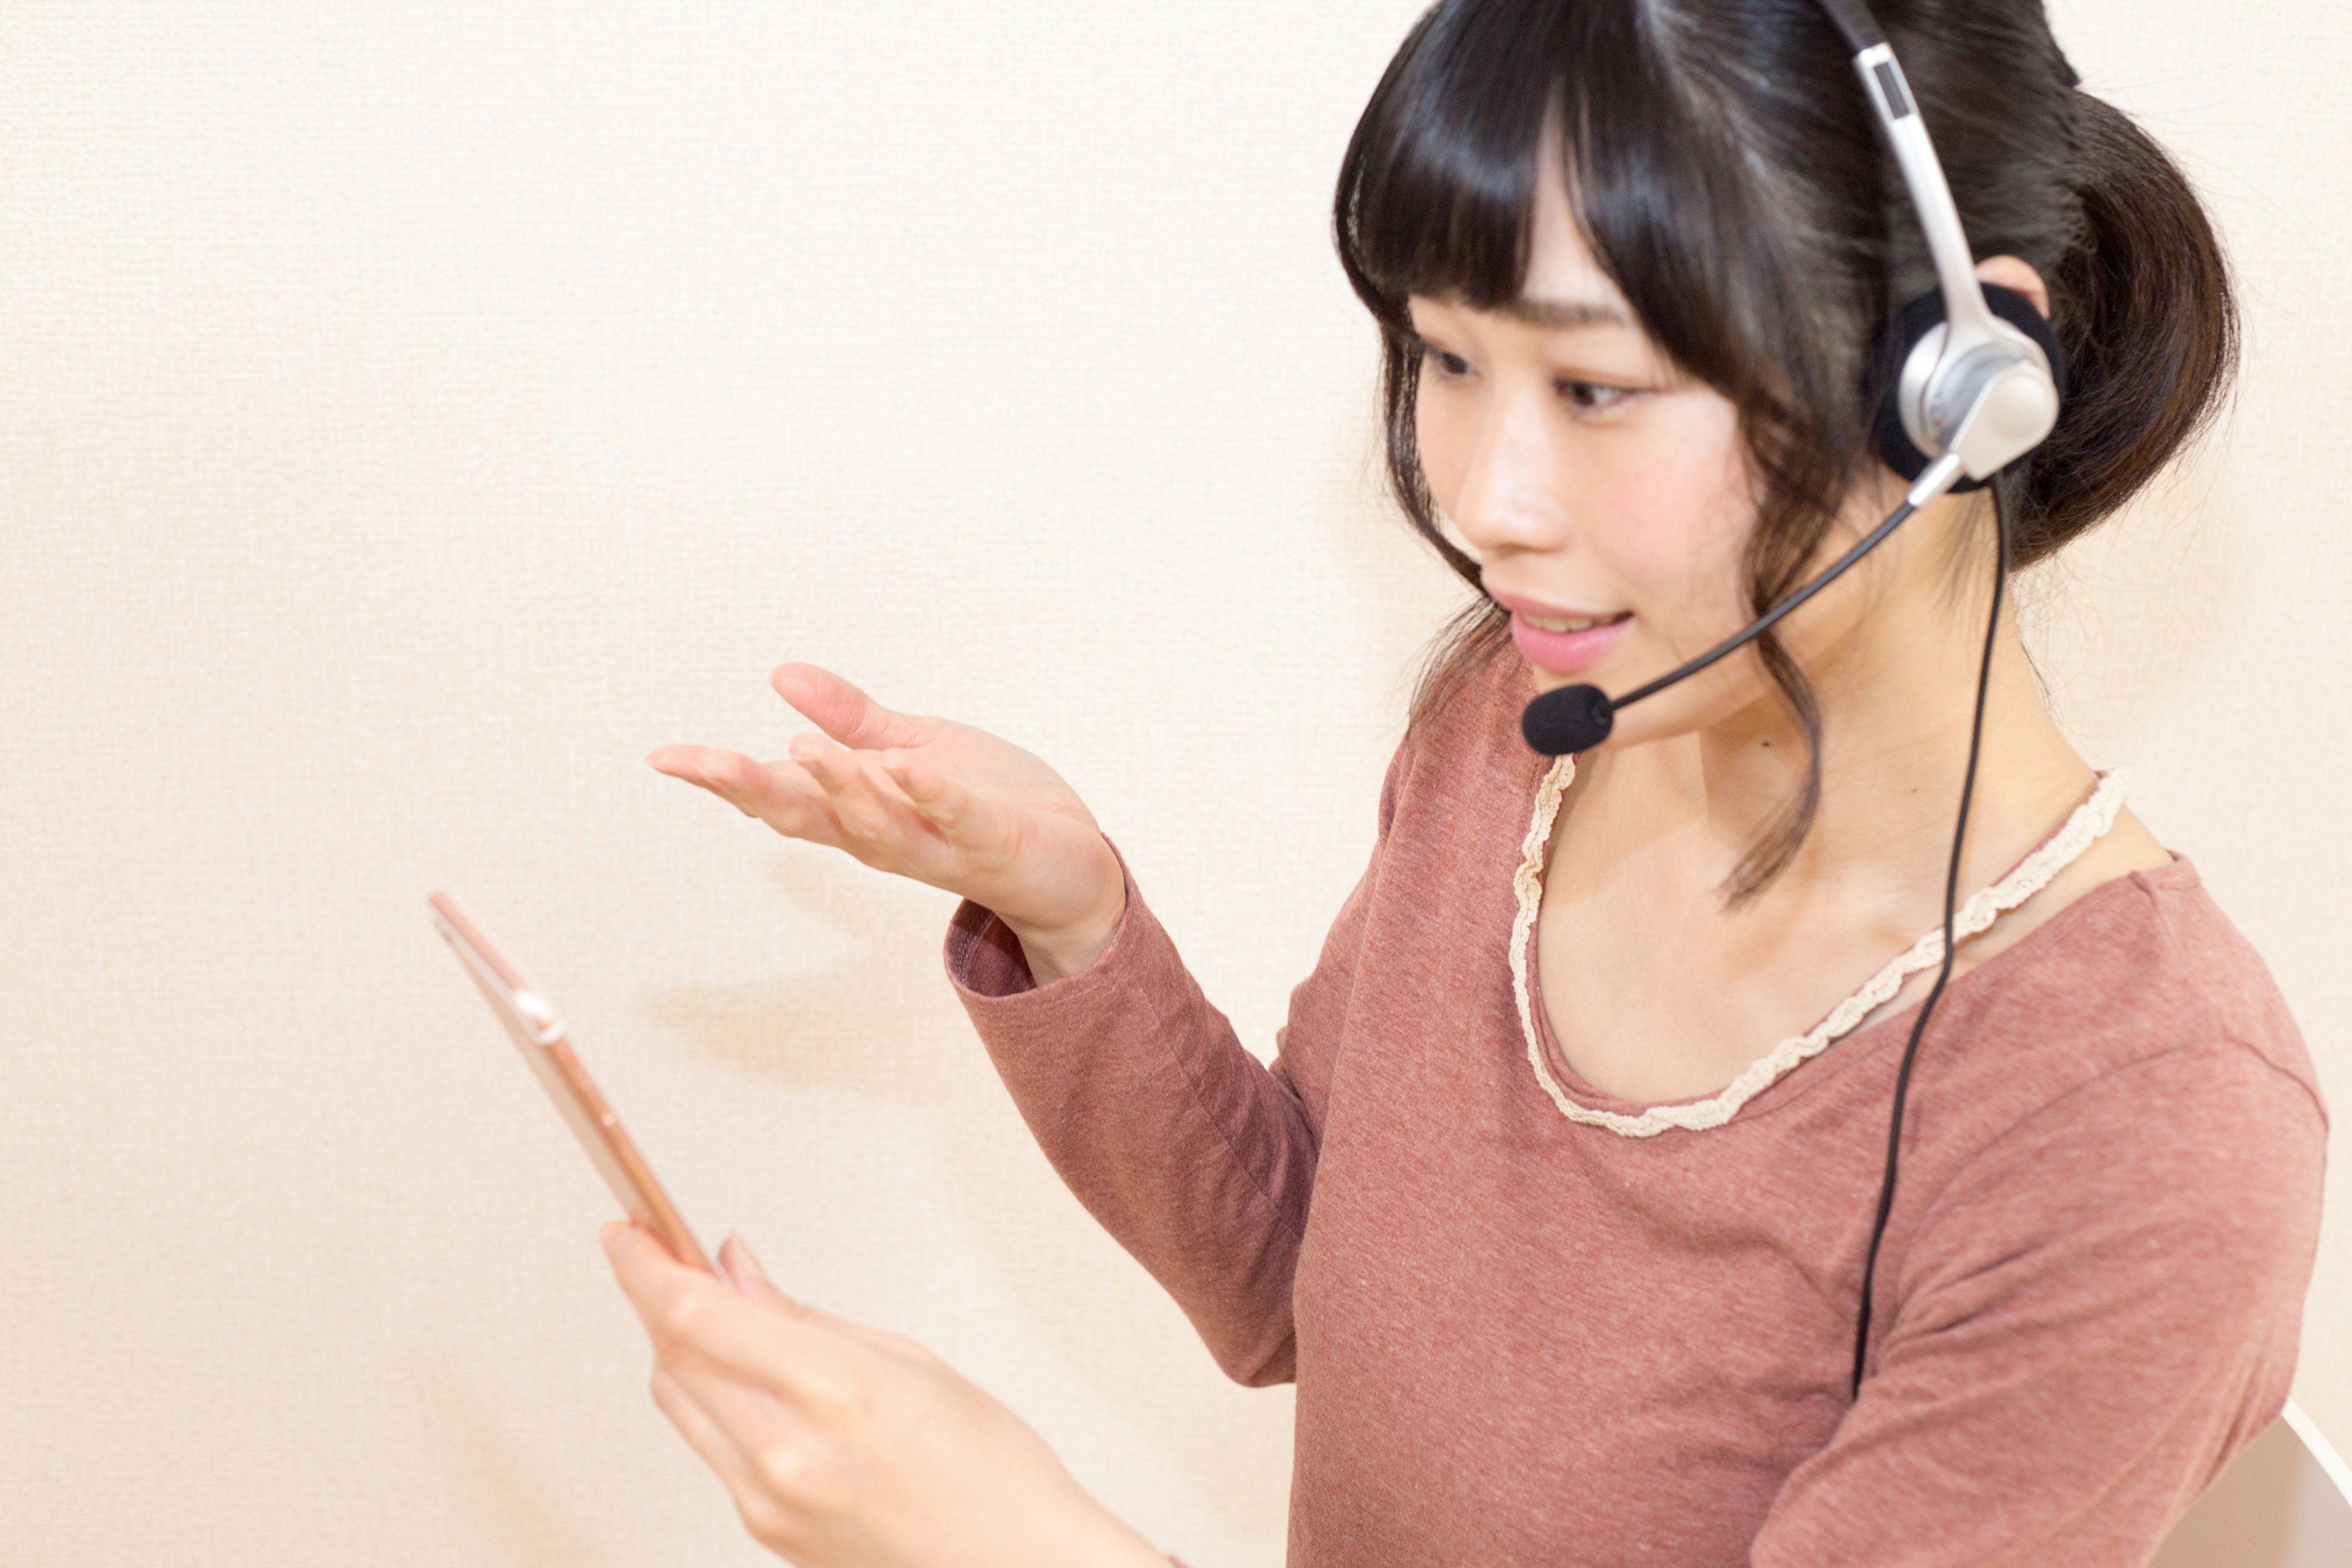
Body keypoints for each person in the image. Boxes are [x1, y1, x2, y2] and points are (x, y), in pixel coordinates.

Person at [601, 1, 2329, 1563]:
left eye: (1595, 386)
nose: (1489, 498)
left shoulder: (2141, 1130)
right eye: (1443, 357)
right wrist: (1077, 919)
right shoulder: (1529, 725)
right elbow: (1305, 1283)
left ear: (1958, 387)